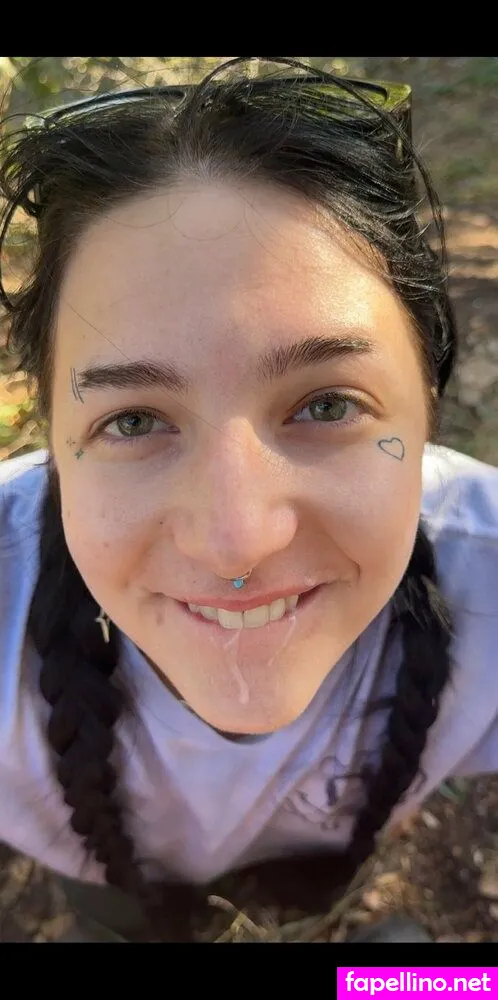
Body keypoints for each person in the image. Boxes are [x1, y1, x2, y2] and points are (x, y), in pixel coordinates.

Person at [0, 55, 496, 944]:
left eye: (327, 405)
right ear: (53, 437)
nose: (236, 541)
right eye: (133, 420)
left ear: (427, 404)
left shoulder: (484, 569)